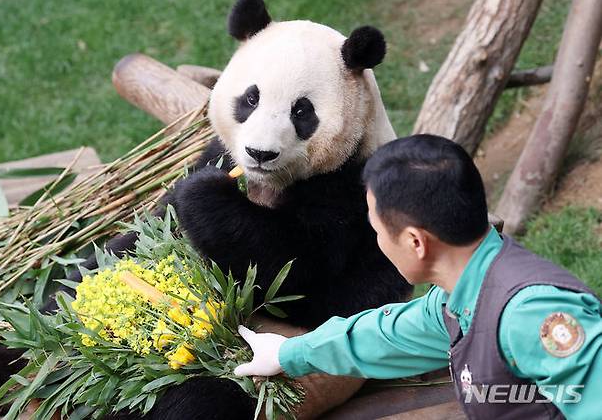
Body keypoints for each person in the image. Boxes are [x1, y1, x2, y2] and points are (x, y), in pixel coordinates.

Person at [233, 135, 602, 419]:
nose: (377, 242)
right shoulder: (460, 296)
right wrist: (288, 352)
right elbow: (387, 335)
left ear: (415, 242)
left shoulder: (532, 314)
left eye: (376, 230)